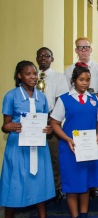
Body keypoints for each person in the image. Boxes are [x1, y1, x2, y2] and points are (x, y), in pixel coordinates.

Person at [0, 61, 55, 218]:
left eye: (35, 74)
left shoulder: (42, 97)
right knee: (14, 182)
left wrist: (48, 129)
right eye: (28, 74)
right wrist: (11, 126)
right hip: (18, 146)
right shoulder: (11, 96)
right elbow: (5, 126)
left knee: (40, 181)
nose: (33, 77)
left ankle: (42, 215)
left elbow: (46, 121)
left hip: (38, 146)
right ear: (20, 76)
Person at [51, 62, 98, 218]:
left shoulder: (94, 99)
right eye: (81, 79)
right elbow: (54, 123)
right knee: (73, 185)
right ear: (74, 80)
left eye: (87, 79)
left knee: (86, 183)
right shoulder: (64, 99)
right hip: (70, 148)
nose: (85, 83)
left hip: (89, 149)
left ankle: (84, 214)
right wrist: (67, 139)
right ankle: (75, 216)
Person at [64, 37, 98, 198]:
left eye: (86, 47)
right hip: (77, 111)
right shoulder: (68, 70)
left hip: (93, 108)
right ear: (76, 50)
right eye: (80, 47)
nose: (84, 50)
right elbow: (66, 94)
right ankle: (78, 184)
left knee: (93, 150)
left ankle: (93, 186)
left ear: (91, 49)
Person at [36, 47, 69, 204]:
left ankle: (57, 187)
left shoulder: (59, 77)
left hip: (51, 121)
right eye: (40, 56)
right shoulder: (32, 75)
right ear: (37, 58)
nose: (43, 58)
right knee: (35, 156)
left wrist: (52, 119)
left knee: (54, 156)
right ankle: (38, 188)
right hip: (33, 122)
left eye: (47, 56)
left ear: (52, 59)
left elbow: (60, 101)